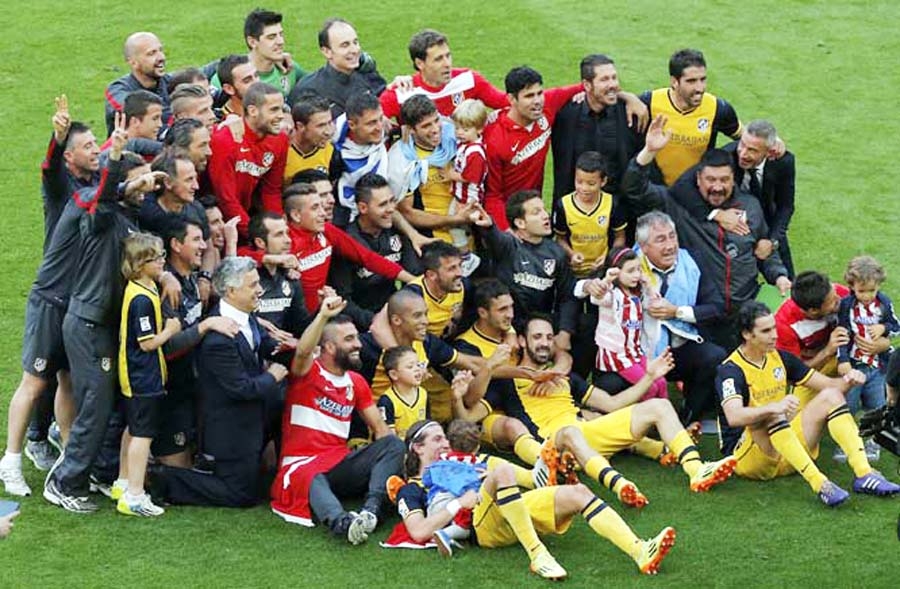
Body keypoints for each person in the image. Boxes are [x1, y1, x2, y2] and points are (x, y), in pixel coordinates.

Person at [460, 313, 735, 506]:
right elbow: (471, 412)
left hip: (587, 435)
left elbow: (613, 404)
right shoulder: (508, 381)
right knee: (570, 431)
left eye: (548, 336)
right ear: (521, 341)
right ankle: (619, 485)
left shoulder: (566, 376)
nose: (543, 342)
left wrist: (649, 377)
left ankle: (696, 470)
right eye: (536, 337)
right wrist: (476, 379)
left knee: (660, 405)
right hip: (558, 445)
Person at [44, 120, 166, 512]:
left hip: (100, 324)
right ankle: (64, 482)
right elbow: (104, 197)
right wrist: (115, 158)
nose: (144, 187)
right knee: (95, 404)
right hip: (87, 323)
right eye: (137, 182)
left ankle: (91, 470)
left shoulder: (127, 219)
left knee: (102, 403)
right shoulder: (99, 218)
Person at [397, 421, 678, 579]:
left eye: (445, 439)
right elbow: (420, 531)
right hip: (481, 525)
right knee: (503, 470)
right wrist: (461, 502)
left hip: (508, 506)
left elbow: (533, 481)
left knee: (579, 493)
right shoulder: (413, 487)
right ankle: (538, 554)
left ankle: (640, 550)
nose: (445, 444)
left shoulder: (473, 462)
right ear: (417, 448)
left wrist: (548, 459)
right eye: (436, 440)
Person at [623, 115, 791, 351]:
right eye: (710, 179)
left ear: (734, 179)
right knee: (714, 363)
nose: (718, 186)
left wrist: (779, 275)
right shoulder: (679, 206)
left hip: (747, 307)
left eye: (724, 180)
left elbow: (764, 252)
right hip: (705, 314)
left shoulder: (751, 207)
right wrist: (649, 151)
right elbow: (633, 189)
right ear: (698, 178)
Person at [717, 301, 900, 506]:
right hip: (750, 459)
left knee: (830, 395)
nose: (775, 335)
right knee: (773, 415)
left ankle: (864, 473)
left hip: (787, 450)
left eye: (774, 328)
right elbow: (734, 417)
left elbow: (830, 385)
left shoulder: (780, 358)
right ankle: (821, 484)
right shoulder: (730, 370)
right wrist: (773, 408)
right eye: (766, 331)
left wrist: (849, 381)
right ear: (747, 334)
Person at [153, 257, 289, 507]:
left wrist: (287, 346)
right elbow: (242, 389)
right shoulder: (218, 341)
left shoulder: (246, 316)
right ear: (231, 291)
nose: (260, 290)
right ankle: (164, 479)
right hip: (230, 429)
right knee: (241, 496)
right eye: (253, 285)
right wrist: (273, 376)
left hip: (253, 420)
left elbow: (261, 345)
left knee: (258, 486)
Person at [270, 301, 404, 544]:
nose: (359, 345)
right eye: (350, 339)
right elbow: (302, 352)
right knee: (311, 474)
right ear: (329, 347)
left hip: (339, 462)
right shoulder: (308, 373)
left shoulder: (356, 381)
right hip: (302, 464)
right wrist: (322, 315)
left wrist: (396, 460)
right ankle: (342, 523)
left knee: (393, 445)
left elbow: (381, 430)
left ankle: (371, 511)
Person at [632, 211, 728, 426]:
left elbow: (716, 307)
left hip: (680, 349)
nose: (670, 246)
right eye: (660, 239)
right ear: (644, 246)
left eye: (672, 236)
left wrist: (676, 311)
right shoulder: (627, 266)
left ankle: (689, 416)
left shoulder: (693, 261)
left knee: (713, 356)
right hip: (637, 351)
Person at [115, 233, 181, 517]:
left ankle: (122, 481)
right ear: (141, 264)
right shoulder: (141, 299)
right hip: (143, 376)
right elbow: (146, 343)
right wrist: (171, 330)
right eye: (157, 258)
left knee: (133, 428)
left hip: (139, 374)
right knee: (143, 434)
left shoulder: (143, 286)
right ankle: (135, 495)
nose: (163, 262)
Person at [473, 190, 578, 354]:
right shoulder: (509, 246)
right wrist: (489, 226)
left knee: (586, 324)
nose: (545, 216)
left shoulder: (557, 253)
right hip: (508, 325)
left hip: (541, 323)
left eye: (544, 210)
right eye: (537, 212)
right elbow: (496, 238)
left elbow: (568, 295)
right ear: (520, 223)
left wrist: (565, 333)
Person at [359, 290, 483, 422]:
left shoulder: (425, 342)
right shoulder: (368, 346)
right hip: (376, 425)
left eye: (426, 314)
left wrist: (494, 365)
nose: (426, 321)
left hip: (413, 422)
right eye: (417, 316)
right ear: (396, 320)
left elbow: (469, 362)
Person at [481, 67, 582, 230]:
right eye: (529, 96)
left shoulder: (547, 104)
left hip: (535, 214)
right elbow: (493, 195)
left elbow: (590, 85)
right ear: (511, 99)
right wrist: (507, 233)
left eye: (539, 93)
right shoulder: (495, 139)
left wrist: (629, 100)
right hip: (511, 219)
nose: (537, 101)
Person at [330, 173, 419, 330]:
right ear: (363, 208)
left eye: (392, 201)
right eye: (383, 204)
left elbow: (414, 277)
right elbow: (344, 300)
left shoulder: (398, 231)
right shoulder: (346, 244)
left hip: (398, 316)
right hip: (363, 324)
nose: (391, 209)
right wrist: (375, 322)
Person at [639, 49, 742, 186]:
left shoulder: (718, 109)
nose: (700, 88)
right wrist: (628, 98)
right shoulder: (649, 103)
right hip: (656, 189)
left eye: (703, 79)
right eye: (691, 81)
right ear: (675, 81)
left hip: (695, 191)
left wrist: (772, 141)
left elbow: (745, 137)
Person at [551, 54, 644, 204]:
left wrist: (629, 97)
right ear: (587, 85)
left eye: (614, 77)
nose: (613, 84)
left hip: (619, 210)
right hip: (577, 212)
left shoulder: (630, 113)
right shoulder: (565, 115)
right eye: (604, 79)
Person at [581, 247, 668, 401]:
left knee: (661, 382)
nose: (636, 275)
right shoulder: (612, 296)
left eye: (638, 269)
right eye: (630, 271)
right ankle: (645, 420)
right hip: (617, 355)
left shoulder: (637, 294)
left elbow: (655, 305)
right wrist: (607, 280)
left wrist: (648, 286)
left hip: (634, 352)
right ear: (616, 272)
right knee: (649, 388)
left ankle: (668, 420)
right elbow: (597, 298)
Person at [207, 82, 288, 240]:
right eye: (273, 110)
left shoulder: (280, 140)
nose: (281, 116)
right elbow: (226, 199)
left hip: (245, 217)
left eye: (281, 109)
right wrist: (256, 236)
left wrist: (278, 229)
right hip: (217, 222)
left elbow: (271, 190)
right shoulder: (225, 140)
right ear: (253, 111)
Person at [390, 95, 471, 248]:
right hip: (438, 242)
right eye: (426, 126)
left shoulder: (455, 136)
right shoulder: (403, 159)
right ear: (411, 130)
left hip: (472, 229)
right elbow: (407, 212)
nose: (435, 129)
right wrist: (454, 219)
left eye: (436, 120)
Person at [380, 29, 508, 121]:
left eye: (448, 56)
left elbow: (508, 103)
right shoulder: (402, 93)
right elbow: (369, 123)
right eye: (438, 59)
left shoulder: (468, 80)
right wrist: (398, 131)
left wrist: (496, 120)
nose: (447, 64)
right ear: (420, 63)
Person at [723, 120, 796, 278]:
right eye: (742, 144)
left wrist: (772, 241)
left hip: (768, 226)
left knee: (788, 282)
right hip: (733, 227)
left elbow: (786, 206)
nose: (743, 153)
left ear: (769, 152)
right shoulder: (726, 156)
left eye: (752, 150)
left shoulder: (783, 163)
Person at [837, 256, 899, 419]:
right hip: (853, 364)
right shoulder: (846, 305)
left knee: (877, 403)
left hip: (878, 366)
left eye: (872, 290)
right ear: (851, 286)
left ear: (878, 286)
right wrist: (842, 359)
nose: (867, 296)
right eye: (861, 291)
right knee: (849, 405)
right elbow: (841, 333)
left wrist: (883, 327)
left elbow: (896, 327)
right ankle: (847, 440)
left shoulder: (883, 303)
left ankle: (875, 438)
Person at [287, 18, 386, 116]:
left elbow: (385, 100)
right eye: (345, 45)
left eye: (355, 42)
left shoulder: (366, 74)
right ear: (326, 52)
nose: (354, 50)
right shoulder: (308, 90)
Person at [209, 9, 305, 97]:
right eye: (271, 37)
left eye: (281, 34)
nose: (280, 42)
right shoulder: (227, 78)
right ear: (252, 42)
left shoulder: (289, 68)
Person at [247, 211, 311, 338]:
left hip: (281, 350)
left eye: (287, 233)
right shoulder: (246, 277)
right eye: (279, 235)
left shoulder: (291, 278)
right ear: (260, 243)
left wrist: (323, 311)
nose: (288, 240)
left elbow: (300, 326)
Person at [104, 32, 171, 137]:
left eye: (160, 50)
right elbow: (135, 109)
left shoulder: (170, 82)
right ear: (133, 63)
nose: (161, 57)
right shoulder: (118, 90)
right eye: (151, 53)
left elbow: (199, 75)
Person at [447, 99, 488, 261]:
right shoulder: (464, 145)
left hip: (470, 198)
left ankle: (466, 257)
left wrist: (450, 175)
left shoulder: (476, 152)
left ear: (479, 129)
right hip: (460, 195)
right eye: (457, 128)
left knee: (454, 224)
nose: (460, 133)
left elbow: (469, 177)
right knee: (462, 226)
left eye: (465, 129)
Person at [403, 241, 465, 338]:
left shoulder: (462, 285)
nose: (460, 273)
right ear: (431, 275)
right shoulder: (412, 296)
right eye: (451, 268)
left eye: (460, 265)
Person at [284, 95, 339, 183]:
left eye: (329, 123)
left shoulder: (331, 152)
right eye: (321, 125)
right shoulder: (281, 151)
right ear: (300, 126)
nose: (328, 132)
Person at [377, 346, 429, 438]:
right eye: (410, 367)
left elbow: (428, 427)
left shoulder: (423, 394)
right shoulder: (387, 401)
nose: (417, 369)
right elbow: (388, 438)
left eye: (418, 365)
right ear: (394, 374)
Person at [216, 54, 260, 119]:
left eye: (256, 75)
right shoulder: (222, 124)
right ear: (229, 89)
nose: (257, 83)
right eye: (247, 80)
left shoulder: (271, 108)